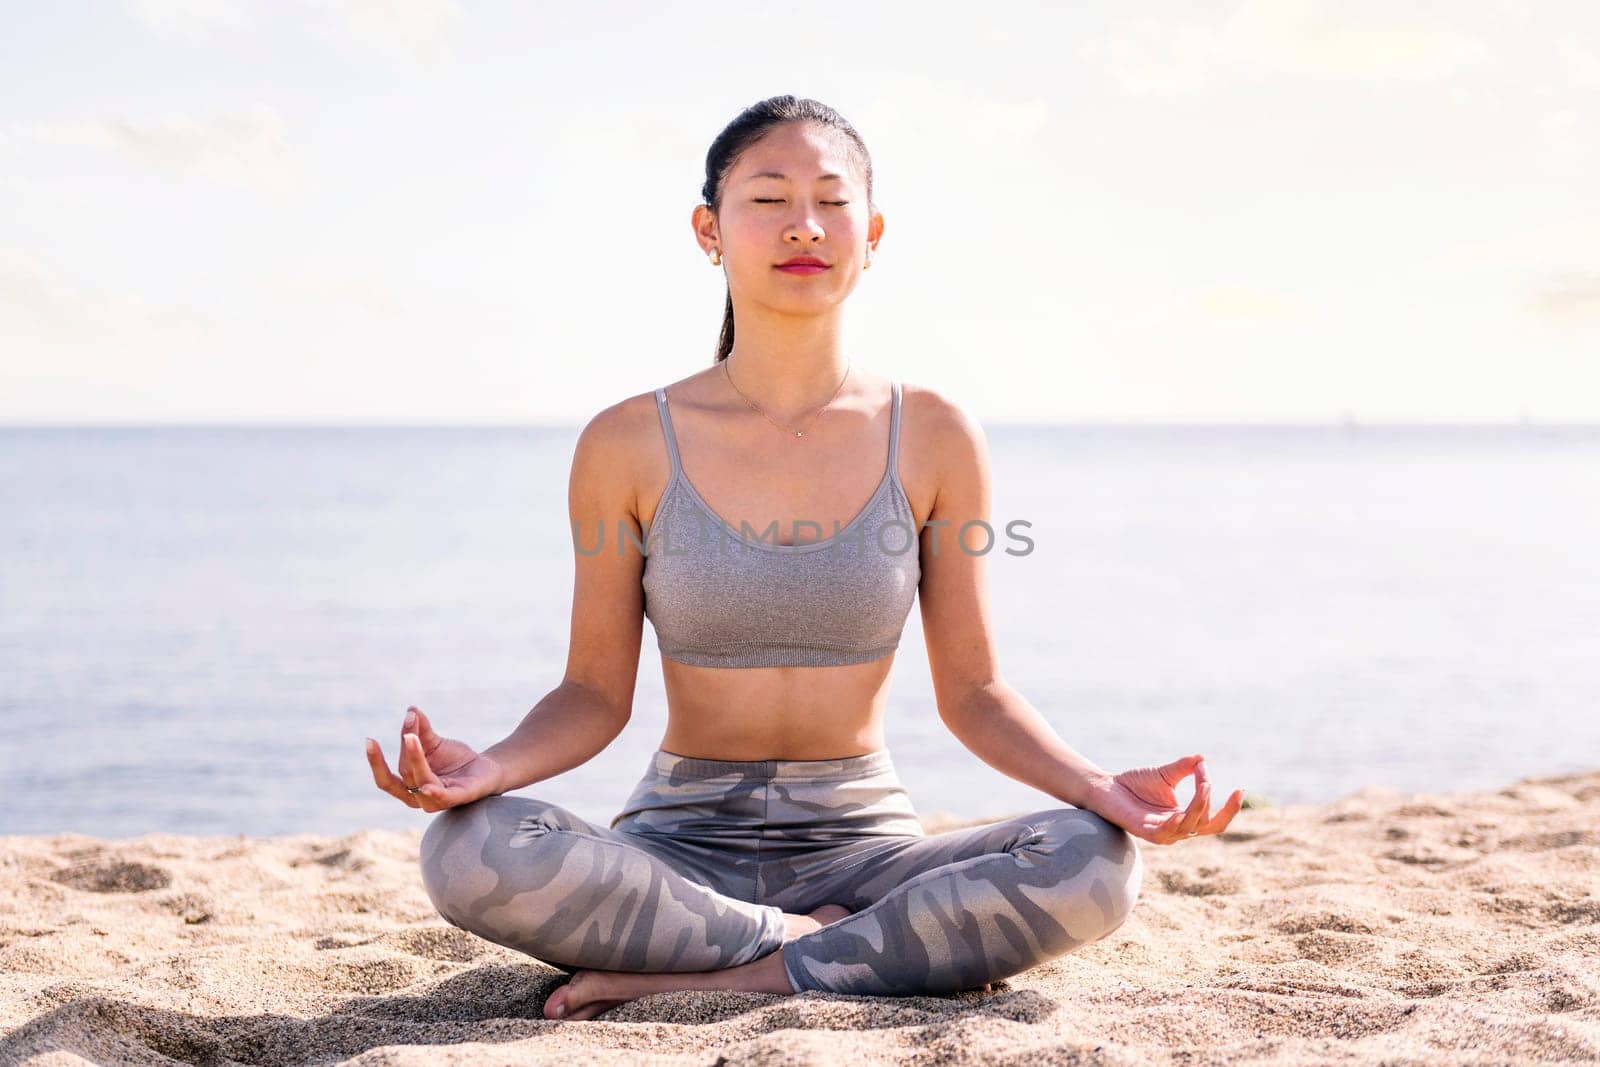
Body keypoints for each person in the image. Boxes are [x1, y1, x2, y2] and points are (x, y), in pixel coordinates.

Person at [362, 95, 1243, 1022]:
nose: (805, 226)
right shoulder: (627, 442)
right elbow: (592, 693)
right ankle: (807, 945)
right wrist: (486, 771)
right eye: (769, 199)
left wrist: (1102, 788)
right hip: (678, 851)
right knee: (465, 849)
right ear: (710, 230)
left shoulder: (934, 435)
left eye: (831, 199)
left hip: (866, 851)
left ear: (875, 234)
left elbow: (976, 691)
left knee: (1095, 859)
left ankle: (735, 970)